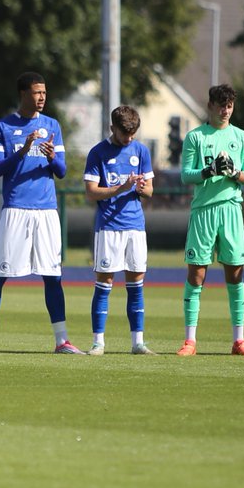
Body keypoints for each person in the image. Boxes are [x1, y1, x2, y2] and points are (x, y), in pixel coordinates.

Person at [0, 72, 82, 355]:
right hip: (15, 209)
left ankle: (61, 340)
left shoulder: (52, 125)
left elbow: (61, 171)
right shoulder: (3, 126)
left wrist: (52, 157)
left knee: (53, 276)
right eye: (37, 92)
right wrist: (23, 150)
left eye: (44, 93)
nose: (42, 97)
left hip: (46, 211)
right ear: (23, 93)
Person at [178, 83, 244, 356]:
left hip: (231, 210)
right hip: (203, 211)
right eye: (221, 105)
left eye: (229, 106)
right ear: (210, 106)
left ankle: (239, 341)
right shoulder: (195, 137)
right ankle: (190, 341)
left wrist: (235, 173)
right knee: (196, 274)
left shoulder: (242, 137)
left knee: (235, 274)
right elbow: (185, 175)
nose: (225, 111)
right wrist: (208, 170)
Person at [83, 105, 156, 355]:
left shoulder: (141, 151)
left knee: (136, 284)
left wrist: (141, 188)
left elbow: (149, 190)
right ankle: (98, 342)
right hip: (108, 227)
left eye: (133, 133)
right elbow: (91, 192)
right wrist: (121, 188)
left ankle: (138, 343)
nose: (129, 138)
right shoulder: (98, 153)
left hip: (135, 226)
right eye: (125, 133)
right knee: (104, 283)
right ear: (112, 128)